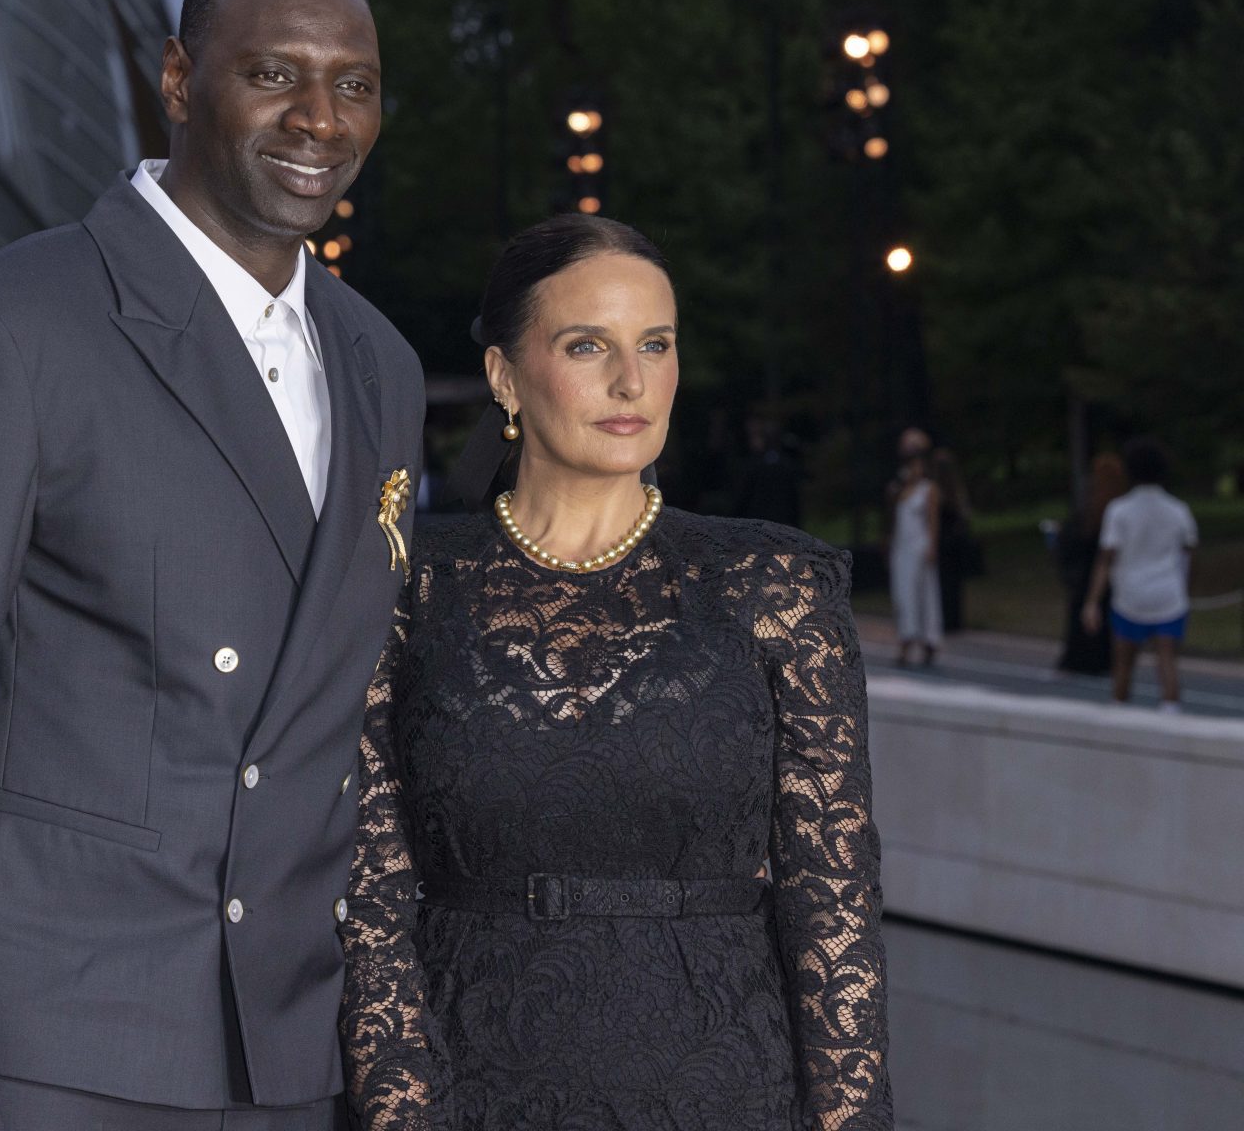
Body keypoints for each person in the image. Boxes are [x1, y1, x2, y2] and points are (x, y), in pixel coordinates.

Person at [0, 0, 426, 1130]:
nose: (319, 118)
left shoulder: (381, 367)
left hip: (292, 1067)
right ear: (180, 79)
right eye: (274, 73)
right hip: (52, 1058)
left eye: (353, 84)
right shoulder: (9, 331)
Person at [339, 216, 891, 1130]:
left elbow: (833, 908)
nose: (631, 381)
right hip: (472, 1090)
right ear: (504, 377)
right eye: (587, 346)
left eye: (656, 345)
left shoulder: (773, 587)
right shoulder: (408, 587)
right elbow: (371, 902)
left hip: (730, 1093)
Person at [1083, 438, 1198, 711]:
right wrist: (1185, 587)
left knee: (1123, 664)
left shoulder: (1119, 510)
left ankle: (1119, 715)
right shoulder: (1178, 509)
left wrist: (1092, 602)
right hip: (1168, 593)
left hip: (1130, 594)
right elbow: (1189, 551)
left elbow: (1106, 559)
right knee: (1167, 661)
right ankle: (1171, 714)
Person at [1055, 453, 1127, 674]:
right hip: (1105, 573)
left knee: (1084, 615)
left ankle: (1079, 658)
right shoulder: (1115, 509)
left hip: (1086, 572)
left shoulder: (1091, 510)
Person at [887, 442, 943, 667]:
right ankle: (906, 637)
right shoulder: (899, 490)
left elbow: (932, 520)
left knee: (923, 594)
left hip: (919, 546)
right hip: (902, 548)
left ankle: (928, 640)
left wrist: (932, 545)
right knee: (903, 594)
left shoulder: (928, 489)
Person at [929, 447, 975, 633]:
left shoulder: (938, 489)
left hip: (945, 540)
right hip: (954, 540)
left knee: (945, 582)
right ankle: (954, 620)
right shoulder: (955, 489)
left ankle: (949, 620)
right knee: (953, 583)